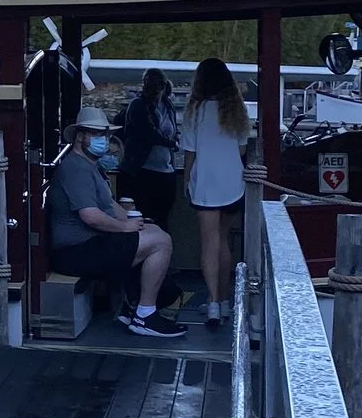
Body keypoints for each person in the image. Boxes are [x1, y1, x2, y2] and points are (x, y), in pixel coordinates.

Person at [46, 107, 182, 338]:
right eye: (97, 134)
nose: (105, 140)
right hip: (75, 252)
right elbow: (90, 215)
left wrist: (135, 222)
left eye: (106, 135)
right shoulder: (76, 169)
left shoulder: (90, 166)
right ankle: (144, 315)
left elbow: (109, 205)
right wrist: (125, 227)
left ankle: (135, 305)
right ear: (80, 136)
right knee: (161, 242)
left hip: (89, 245)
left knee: (154, 231)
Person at [181, 58, 251, 331]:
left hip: (206, 184)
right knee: (223, 241)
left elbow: (190, 152)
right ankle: (224, 301)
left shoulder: (195, 111)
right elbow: (243, 150)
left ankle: (211, 304)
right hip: (234, 182)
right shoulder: (236, 110)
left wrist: (187, 179)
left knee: (208, 242)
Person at [117, 68, 182, 230]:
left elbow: (174, 129)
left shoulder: (168, 106)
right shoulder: (137, 105)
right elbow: (148, 132)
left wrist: (176, 139)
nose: (150, 87)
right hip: (141, 171)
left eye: (154, 83)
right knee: (141, 218)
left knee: (162, 219)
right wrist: (171, 143)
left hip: (165, 172)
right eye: (147, 82)